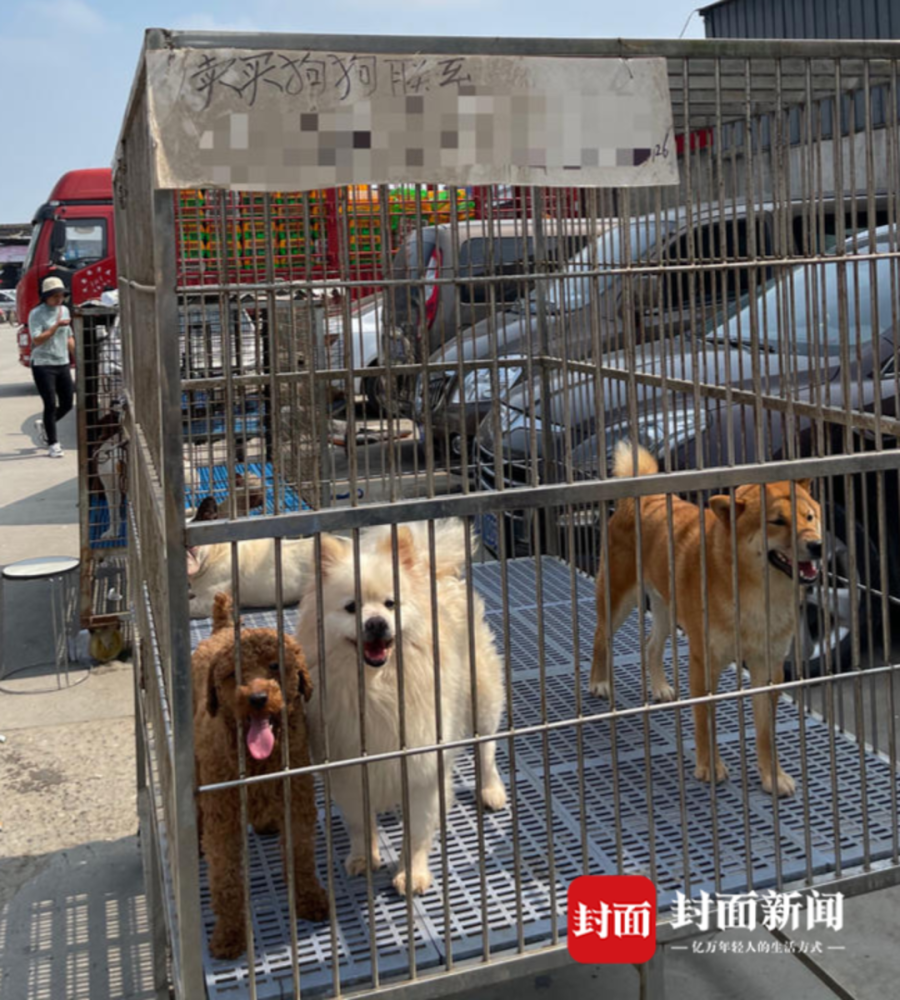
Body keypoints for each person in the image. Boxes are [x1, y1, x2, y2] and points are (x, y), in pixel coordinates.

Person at [29, 276, 74, 458]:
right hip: (43, 364)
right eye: (55, 296)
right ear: (46, 297)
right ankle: (53, 443)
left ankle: (46, 424)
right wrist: (55, 326)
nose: (59, 299)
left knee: (67, 403)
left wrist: (76, 356)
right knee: (49, 403)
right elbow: (37, 340)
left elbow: (69, 336)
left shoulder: (64, 310)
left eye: (61, 296)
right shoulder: (36, 314)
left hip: (62, 362)